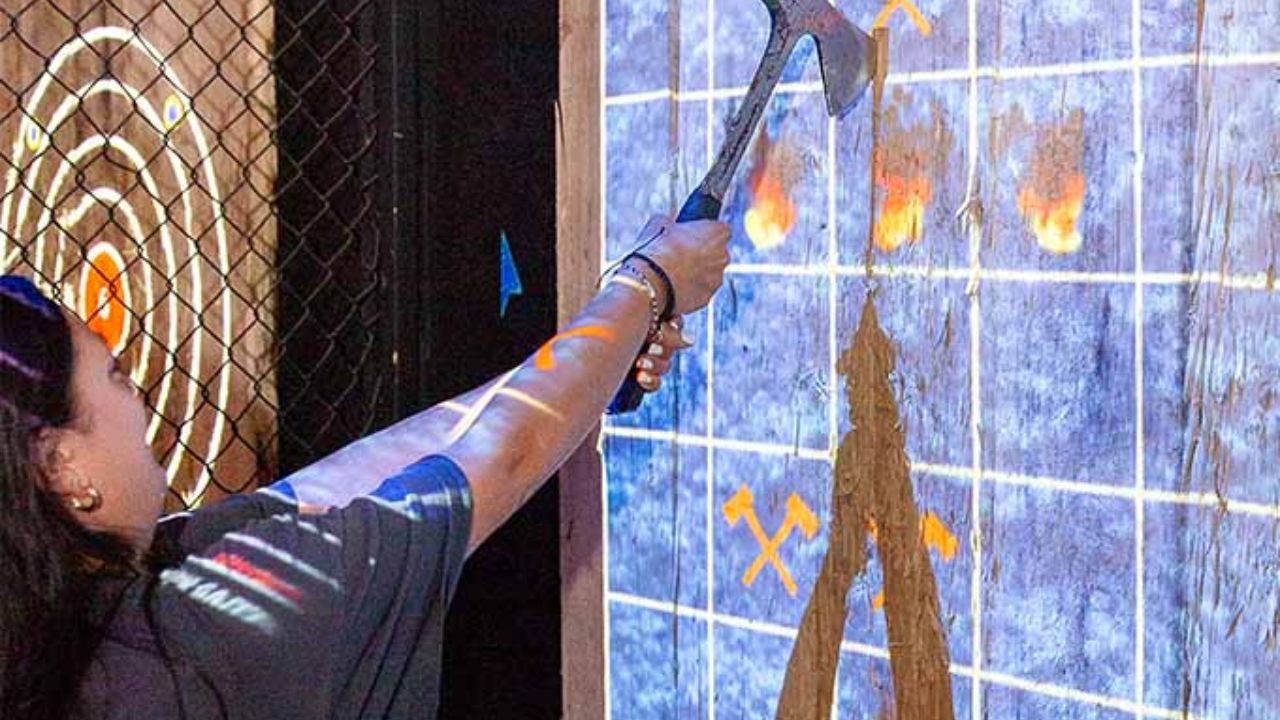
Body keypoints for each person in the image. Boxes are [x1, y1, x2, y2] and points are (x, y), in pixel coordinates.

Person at [0, 215, 730, 719]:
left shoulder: (92, 613)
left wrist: (600, 352)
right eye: (117, 376)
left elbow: (375, 471)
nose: (140, 396)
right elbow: (497, 460)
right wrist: (648, 284)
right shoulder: (205, 630)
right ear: (63, 470)